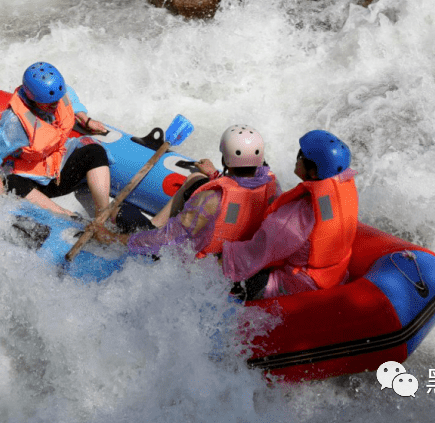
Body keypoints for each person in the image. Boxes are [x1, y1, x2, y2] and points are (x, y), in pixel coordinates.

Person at [221, 130, 358, 300]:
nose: (297, 157)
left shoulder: (298, 214)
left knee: (229, 275)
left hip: (298, 287)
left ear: (313, 172)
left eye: (301, 155)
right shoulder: (338, 192)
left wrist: (223, 255)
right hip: (332, 277)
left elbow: (259, 250)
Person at [0, 62, 113, 223]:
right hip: (32, 182)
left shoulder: (59, 93)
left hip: (58, 170)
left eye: (56, 101)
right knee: (10, 182)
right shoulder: (15, 122)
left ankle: (103, 217)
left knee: (95, 151)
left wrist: (86, 120)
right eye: (49, 103)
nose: (55, 105)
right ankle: (71, 219)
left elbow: (71, 102)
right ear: (33, 98)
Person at [119, 125, 280, 258]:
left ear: (225, 160)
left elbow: (165, 239)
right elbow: (242, 195)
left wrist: (117, 239)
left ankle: (151, 226)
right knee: (196, 178)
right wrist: (215, 176)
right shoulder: (272, 184)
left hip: (199, 265)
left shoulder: (210, 199)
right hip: (238, 256)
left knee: (121, 214)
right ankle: (156, 223)